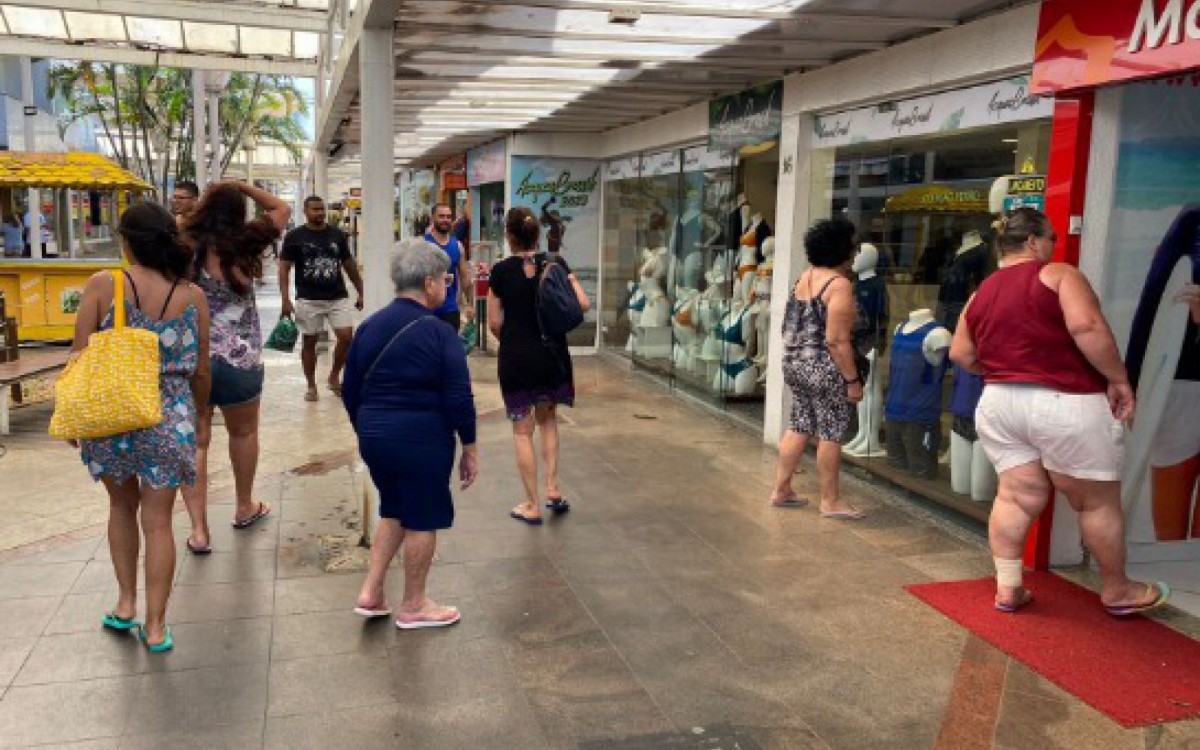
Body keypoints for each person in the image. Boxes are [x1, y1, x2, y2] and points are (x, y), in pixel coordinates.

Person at [949, 207, 1169, 615]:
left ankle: (1008, 587)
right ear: (1033, 241)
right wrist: (1118, 379)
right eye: (1051, 238)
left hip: (999, 402)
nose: (1054, 245)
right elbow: (1087, 327)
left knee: (1015, 496)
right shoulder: (1060, 275)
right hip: (1066, 401)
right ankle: (1118, 590)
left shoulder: (982, 291)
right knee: (1096, 502)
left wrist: (1003, 370)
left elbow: (961, 353)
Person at [70, 202, 212, 652]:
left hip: (112, 415)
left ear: (128, 241)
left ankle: (126, 603)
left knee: (120, 507)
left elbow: (79, 356)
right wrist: (201, 418)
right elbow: (202, 369)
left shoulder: (104, 284)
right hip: (169, 416)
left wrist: (73, 414)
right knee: (159, 522)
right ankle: (156, 626)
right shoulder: (193, 296)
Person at [344, 237, 478, 628]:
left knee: (394, 508)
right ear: (430, 282)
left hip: (375, 435)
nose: (447, 286)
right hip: (421, 438)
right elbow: (459, 397)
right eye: (446, 280)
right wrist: (470, 446)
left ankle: (371, 592)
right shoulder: (441, 334)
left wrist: (368, 428)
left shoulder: (370, 326)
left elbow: (350, 389)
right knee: (422, 517)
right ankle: (414, 604)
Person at [179, 181, 290, 553]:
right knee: (243, 433)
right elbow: (281, 208)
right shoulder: (247, 241)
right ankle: (244, 506)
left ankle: (199, 530)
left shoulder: (185, 244)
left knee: (197, 439)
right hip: (241, 358)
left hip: (194, 357)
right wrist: (241, 185)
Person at [487, 207, 589, 524]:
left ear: (510, 236)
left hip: (517, 358)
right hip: (551, 355)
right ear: (537, 235)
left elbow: (494, 322)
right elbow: (582, 304)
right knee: (548, 420)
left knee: (522, 431)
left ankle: (531, 504)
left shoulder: (501, 272)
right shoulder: (556, 263)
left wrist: (513, 338)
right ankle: (553, 489)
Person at [770, 218, 867, 520]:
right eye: (852, 247)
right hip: (824, 368)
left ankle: (781, 489)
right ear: (842, 250)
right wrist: (852, 380)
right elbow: (837, 340)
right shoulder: (839, 285)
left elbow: (789, 325)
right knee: (831, 431)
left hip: (794, 363)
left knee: (799, 424)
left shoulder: (805, 278)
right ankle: (830, 501)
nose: (855, 253)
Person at [279, 195, 365, 402]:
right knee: (310, 342)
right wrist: (285, 299)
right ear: (305, 211)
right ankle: (311, 385)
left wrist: (361, 291)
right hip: (308, 298)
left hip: (337, 296)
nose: (320, 213)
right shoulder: (294, 237)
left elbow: (349, 264)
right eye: (315, 209)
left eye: (322, 209)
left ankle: (334, 376)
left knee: (346, 337)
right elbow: (284, 269)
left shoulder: (336, 234)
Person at [424, 203, 474, 331]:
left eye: (448, 216)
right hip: (426, 310)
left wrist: (470, 305)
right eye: (441, 216)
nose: (445, 220)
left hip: (450, 311)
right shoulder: (423, 245)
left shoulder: (457, 246)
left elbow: (465, 279)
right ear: (432, 218)